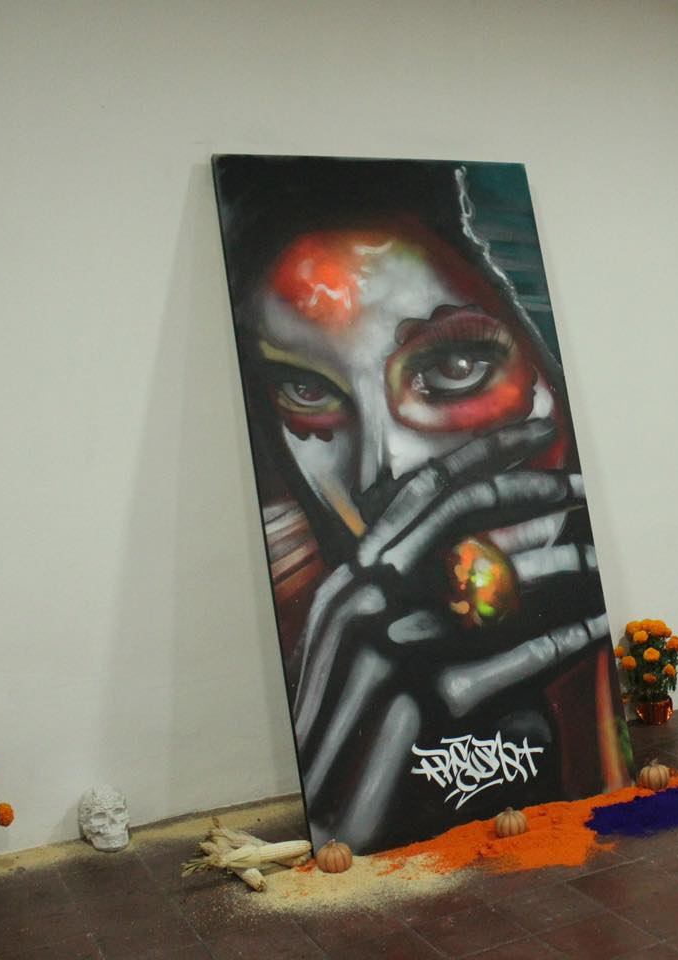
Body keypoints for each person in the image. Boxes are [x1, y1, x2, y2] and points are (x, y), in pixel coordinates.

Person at [213, 157, 627, 852]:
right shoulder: (305, 620)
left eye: (455, 367)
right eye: (307, 391)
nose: (388, 471)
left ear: (549, 371)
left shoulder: (605, 677)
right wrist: (339, 806)